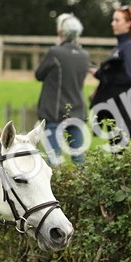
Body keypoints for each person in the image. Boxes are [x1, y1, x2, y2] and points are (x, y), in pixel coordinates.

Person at [89, 5, 131, 151]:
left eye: (117, 20)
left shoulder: (130, 47)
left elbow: (129, 78)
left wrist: (106, 75)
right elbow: (116, 75)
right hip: (115, 107)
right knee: (116, 152)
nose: (113, 24)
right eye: (113, 20)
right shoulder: (121, 47)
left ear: (129, 23)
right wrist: (98, 73)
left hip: (124, 108)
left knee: (119, 153)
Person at [34, 13, 91, 164]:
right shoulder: (85, 55)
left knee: (54, 158)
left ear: (60, 32)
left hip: (55, 113)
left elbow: (39, 75)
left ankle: (55, 181)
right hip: (77, 111)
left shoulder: (55, 53)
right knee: (79, 159)